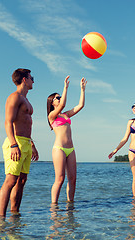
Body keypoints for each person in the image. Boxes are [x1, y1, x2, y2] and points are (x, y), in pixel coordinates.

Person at [0, 68, 39, 217]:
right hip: (16, 143)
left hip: (26, 143)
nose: (32, 80)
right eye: (31, 77)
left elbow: (26, 124)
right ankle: (1, 220)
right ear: (24, 79)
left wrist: (32, 145)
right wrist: (14, 144)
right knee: (10, 180)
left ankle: (15, 215)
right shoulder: (14, 97)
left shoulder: (26, 100)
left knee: (22, 180)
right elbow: (8, 122)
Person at [47, 75, 87, 204]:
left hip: (71, 149)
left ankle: (70, 205)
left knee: (73, 179)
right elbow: (63, 104)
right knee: (60, 179)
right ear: (52, 102)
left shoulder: (65, 115)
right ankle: (54, 206)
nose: (60, 99)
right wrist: (65, 87)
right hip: (59, 149)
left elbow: (80, 106)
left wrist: (82, 89)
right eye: (57, 98)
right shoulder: (52, 116)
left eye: (59, 97)